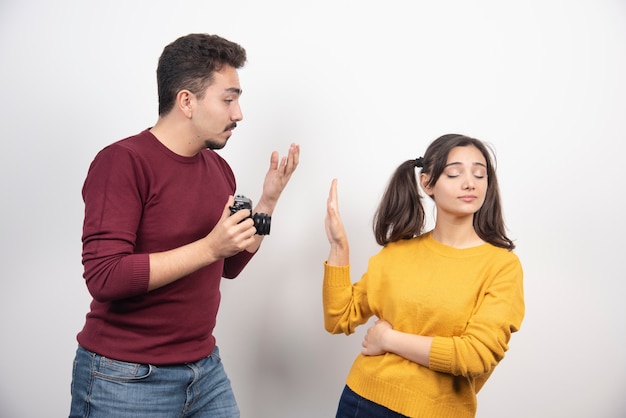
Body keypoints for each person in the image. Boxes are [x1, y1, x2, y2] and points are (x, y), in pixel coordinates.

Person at [69, 33, 299, 418]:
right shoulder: (122, 162)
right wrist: (209, 246)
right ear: (187, 101)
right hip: (124, 378)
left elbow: (228, 265)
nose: (238, 113)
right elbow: (104, 277)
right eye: (228, 99)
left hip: (204, 371)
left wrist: (267, 202)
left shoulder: (219, 169)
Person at [323, 134, 524, 417]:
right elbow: (339, 317)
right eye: (454, 173)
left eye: (480, 174)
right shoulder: (397, 253)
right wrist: (338, 247)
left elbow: (475, 355)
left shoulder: (502, 266)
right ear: (427, 183)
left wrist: (388, 340)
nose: (470, 183)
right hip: (362, 400)